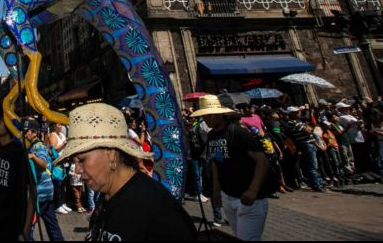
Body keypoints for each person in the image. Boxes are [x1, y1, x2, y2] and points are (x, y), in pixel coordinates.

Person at [55, 102, 195, 241]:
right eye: (74, 161)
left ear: (111, 154)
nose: (77, 169)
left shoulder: (157, 209)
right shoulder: (106, 198)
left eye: (82, 160)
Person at [193, 95, 268, 241]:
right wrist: (216, 191)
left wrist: (253, 190)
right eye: (204, 115)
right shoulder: (211, 135)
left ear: (220, 114)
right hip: (228, 195)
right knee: (237, 236)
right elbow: (215, 162)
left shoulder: (238, 132)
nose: (206, 119)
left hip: (248, 198)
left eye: (209, 115)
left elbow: (262, 161)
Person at [0, 105, 34, 241]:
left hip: (14, 225)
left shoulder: (18, 152)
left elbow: (32, 191)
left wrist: (26, 228)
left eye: (0, 120)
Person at [24, 118, 62, 241]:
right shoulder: (31, 146)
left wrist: (33, 157)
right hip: (46, 192)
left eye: (27, 131)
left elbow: (43, 164)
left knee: (28, 228)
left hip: (39, 193)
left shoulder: (38, 147)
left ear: (34, 133)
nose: (25, 134)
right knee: (52, 225)